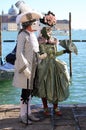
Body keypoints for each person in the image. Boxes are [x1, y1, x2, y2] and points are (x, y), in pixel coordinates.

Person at [13, 1, 46, 124]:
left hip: (33, 68)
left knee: (29, 92)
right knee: (25, 93)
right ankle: (23, 115)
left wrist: (41, 56)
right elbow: (19, 53)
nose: (36, 24)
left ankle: (29, 113)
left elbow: (34, 50)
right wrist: (24, 68)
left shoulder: (32, 34)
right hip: (25, 69)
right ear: (28, 23)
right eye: (33, 23)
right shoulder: (22, 35)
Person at [34, 22, 71, 116]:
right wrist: (42, 56)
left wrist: (64, 51)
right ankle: (45, 108)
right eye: (47, 30)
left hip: (54, 65)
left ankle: (56, 108)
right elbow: (37, 54)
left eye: (50, 30)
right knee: (44, 87)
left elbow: (55, 54)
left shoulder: (54, 40)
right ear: (42, 31)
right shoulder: (38, 41)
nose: (49, 32)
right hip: (44, 67)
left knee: (55, 86)